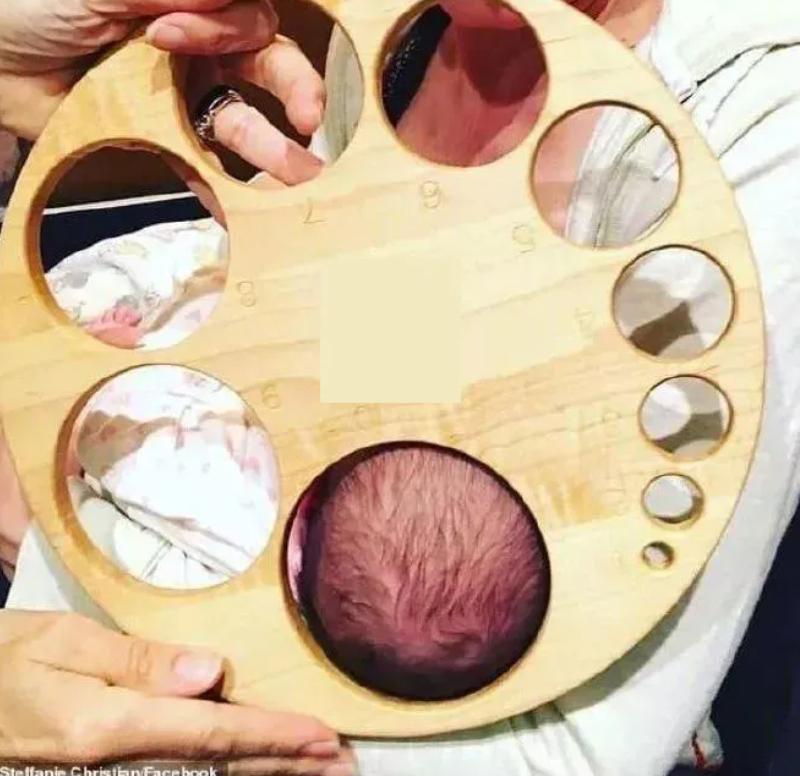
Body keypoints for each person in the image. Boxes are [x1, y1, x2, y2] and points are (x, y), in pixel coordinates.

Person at [3, 0, 800, 774]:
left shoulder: (759, 109)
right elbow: (369, 397)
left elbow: (568, 755)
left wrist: (77, 536)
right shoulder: (394, 39)